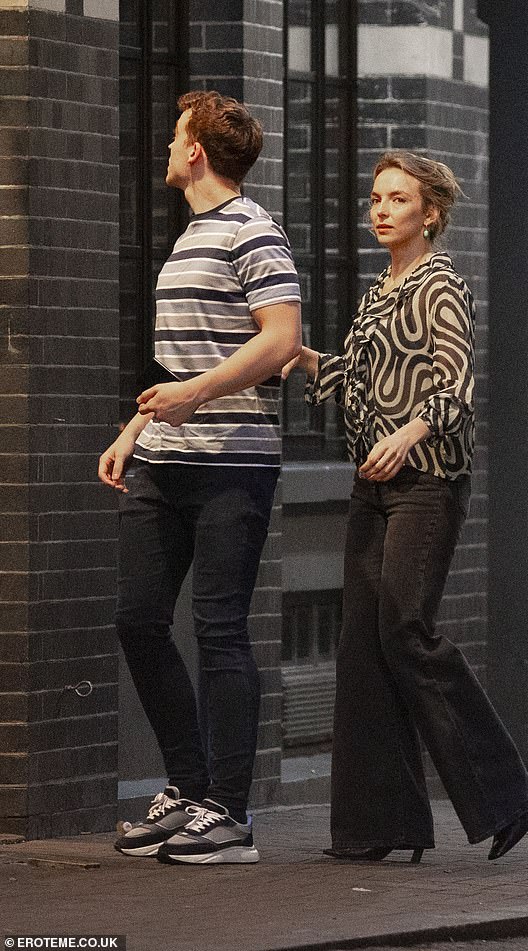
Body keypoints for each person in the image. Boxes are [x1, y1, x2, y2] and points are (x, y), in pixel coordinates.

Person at [283, 150, 528, 862]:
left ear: (430, 213)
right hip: (373, 483)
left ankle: (503, 793)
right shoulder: (377, 291)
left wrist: (408, 432)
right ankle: (378, 827)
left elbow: (455, 385)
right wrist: (301, 357)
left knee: (405, 628)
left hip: (427, 481)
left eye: (398, 199)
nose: (382, 209)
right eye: (375, 198)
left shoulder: (440, 284)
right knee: (361, 648)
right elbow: (358, 379)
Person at [98, 91, 301, 865]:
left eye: (175, 135)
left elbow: (282, 340)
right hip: (164, 462)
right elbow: (179, 362)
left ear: (197, 154)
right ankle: (187, 787)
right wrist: (137, 425)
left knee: (219, 631)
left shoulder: (255, 232)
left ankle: (232, 815)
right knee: (138, 619)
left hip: (231, 465)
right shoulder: (189, 237)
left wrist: (194, 395)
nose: (167, 147)